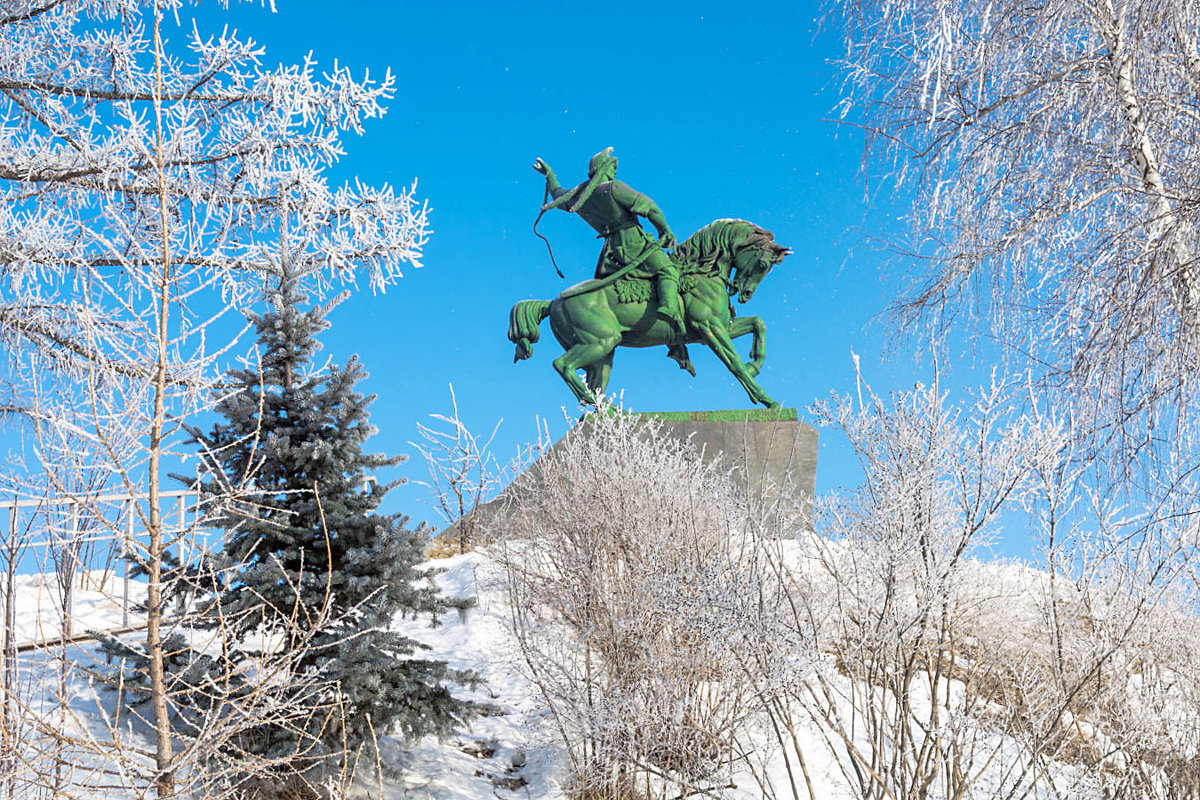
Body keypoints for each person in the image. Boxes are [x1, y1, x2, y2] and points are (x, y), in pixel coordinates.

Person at [534, 147, 683, 333]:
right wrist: (664, 231)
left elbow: (557, 194)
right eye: (612, 167)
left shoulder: (580, 196)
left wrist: (550, 175)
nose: (614, 171)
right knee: (668, 270)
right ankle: (669, 312)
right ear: (603, 168)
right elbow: (651, 208)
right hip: (636, 245)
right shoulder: (614, 188)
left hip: (611, 255)